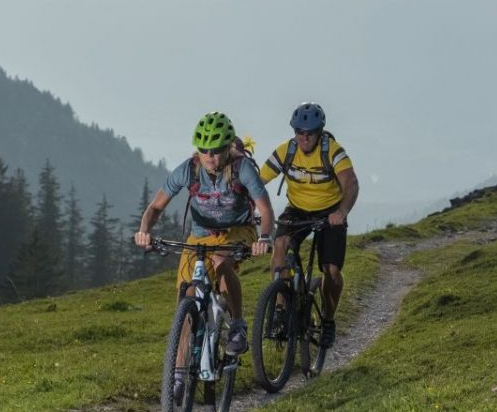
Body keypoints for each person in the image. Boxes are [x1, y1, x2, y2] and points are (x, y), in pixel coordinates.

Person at [134, 112, 275, 361]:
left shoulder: (242, 169)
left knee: (221, 262)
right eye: (204, 150)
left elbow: (265, 210)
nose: (210, 156)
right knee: (187, 300)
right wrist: (145, 230)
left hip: (237, 231)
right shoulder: (189, 170)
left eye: (217, 150)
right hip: (200, 235)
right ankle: (176, 377)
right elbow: (155, 208)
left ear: (227, 147)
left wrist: (264, 238)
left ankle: (238, 325)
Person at [259, 102, 359, 348]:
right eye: (299, 132)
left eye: (310, 133)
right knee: (280, 245)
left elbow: (351, 184)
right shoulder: (286, 151)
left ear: (320, 132)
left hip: (330, 212)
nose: (304, 137)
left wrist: (342, 211)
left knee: (332, 271)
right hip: (297, 209)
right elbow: (258, 181)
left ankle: (328, 320)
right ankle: (281, 308)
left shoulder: (333, 152)